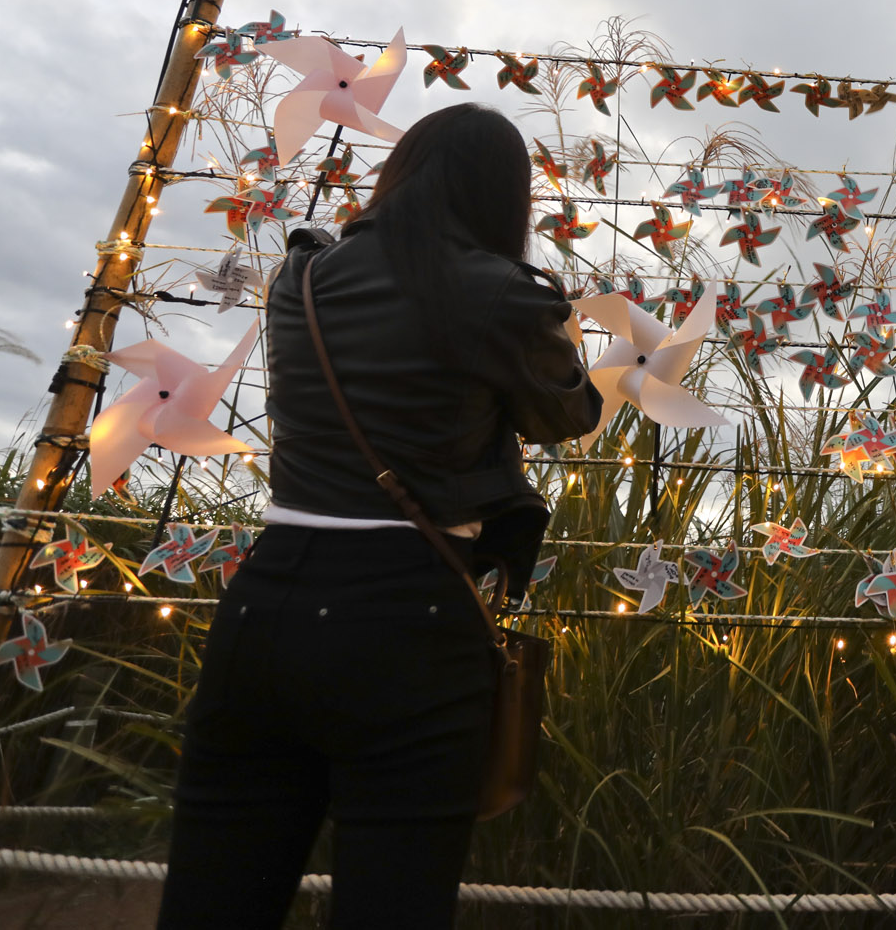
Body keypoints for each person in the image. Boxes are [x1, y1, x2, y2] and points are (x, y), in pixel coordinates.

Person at [157, 103, 602, 929]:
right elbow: (568, 416)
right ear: (506, 199)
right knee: (391, 903)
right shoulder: (500, 292)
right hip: (410, 616)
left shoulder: (304, 274)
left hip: (266, 602)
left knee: (212, 902)